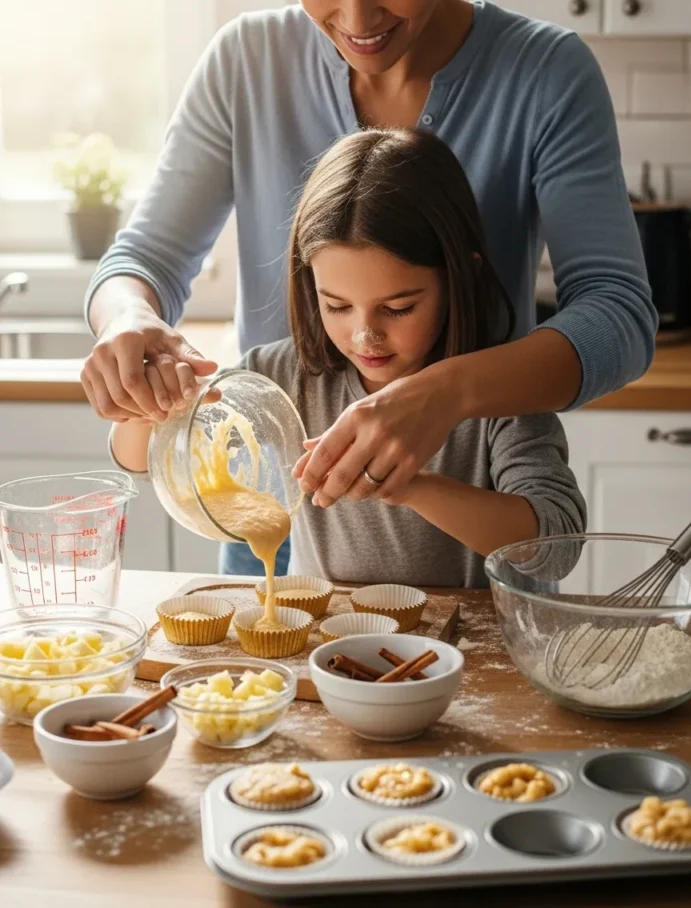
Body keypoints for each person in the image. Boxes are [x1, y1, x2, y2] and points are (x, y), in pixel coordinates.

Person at [82, 0, 656, 577]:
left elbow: (617, 316)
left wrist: (442, 397)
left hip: (458, 541)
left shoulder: (543, 74)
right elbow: (144, 259)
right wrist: (127, 323)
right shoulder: (245, 61)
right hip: (280, 508)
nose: (355, 17)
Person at [109, 128, 586, 586]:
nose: (365, 335)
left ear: (461, 275)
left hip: (459, 657)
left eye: (399, 308)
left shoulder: (498, 391)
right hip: (326, 654)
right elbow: (138, 461)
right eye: (336, 305)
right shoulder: (281, 378)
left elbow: (557, 547)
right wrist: (151, 403)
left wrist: (409, 485)